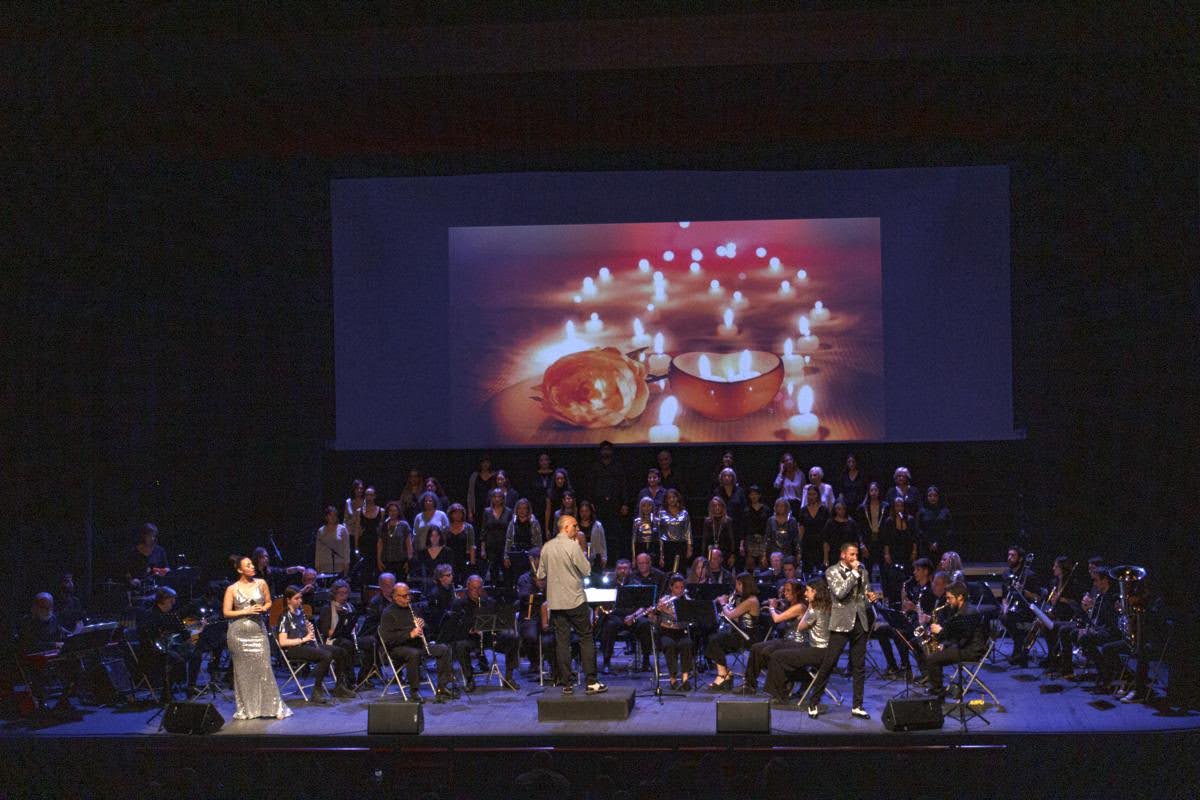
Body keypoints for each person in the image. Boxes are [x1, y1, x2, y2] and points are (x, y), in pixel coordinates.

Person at [803, 543, 877, 719]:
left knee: (859, 666)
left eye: (856, 554)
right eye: (851, 554)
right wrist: (854, 573)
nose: (855, 558)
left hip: (860, 622)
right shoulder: (832, 571)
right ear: (843, 555)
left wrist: (871, 598)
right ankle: (813, 701)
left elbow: (864, 597)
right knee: (830, 663)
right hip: (841, 623)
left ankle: (857, 705)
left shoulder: (863, 572)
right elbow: (840, 593)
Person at [536, 514, 606, 695]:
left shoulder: (547, 547)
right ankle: (591, 681)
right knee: (586, 637)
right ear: (566, 527)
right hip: (575, 600)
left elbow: (541, 574)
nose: (577, 529)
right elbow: (587, 570)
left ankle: (566, 683)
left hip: (556, 602)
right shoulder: (573, 546)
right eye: (574, 526)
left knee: (562, 641)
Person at [223, 555, 291, 720]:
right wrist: (245, 611)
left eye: (252, 564)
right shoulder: (232, 588)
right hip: (238, 634)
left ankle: (273, 707)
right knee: (243, 673)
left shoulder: (261, 583)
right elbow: (226, 612)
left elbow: (269, 602)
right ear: (240, 569)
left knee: (264, 668)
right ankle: (248, 709)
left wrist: (263, 607)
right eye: (248, 565)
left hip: (258, 632)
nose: (252, 567)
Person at [378, 582, 458, 701]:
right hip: (398, 648)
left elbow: (426, 629)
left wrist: (423, 625)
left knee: (443, 649)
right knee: (413, 654)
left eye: (408, 595)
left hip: (417, 645)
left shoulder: (413, 608)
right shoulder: (388, 613)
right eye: (404, 596)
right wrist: (409, 634)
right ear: (395, 597)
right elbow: (388, 638)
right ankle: (414, 691)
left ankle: (442, 687)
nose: (408, 598)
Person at [277, 586, 355, 703]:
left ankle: (339, 686)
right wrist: (304, 639)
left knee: (340, 651)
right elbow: (283, 642)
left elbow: (304, 633)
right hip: (293, 649)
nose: (300, 601)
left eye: (301, 598)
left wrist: (309, 631)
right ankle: (317, 690)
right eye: (296, 598)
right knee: (326, 655)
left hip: (307, 645)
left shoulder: (300, 613)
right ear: (288, 600)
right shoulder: (284, 617)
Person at [763, 579, 834, 702]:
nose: (805, 594)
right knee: (785, 655)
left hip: (818, 652)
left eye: (808, 591)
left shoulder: (815, 610)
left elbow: (800, 627)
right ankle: (802, 681)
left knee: (777, 656)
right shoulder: (828, 607)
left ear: (815, 592)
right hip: (826, 651)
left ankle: (779, 695)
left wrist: (810, 606)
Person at [447, 575, 520, 691]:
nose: (477, 591)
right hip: (471, 638)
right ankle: (469, 679)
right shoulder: (459, 603)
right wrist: (470, 629)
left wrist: (495, 626)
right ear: (468, 587)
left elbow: (499, 621)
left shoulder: (489, 602)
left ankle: (509, 677)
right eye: (474, 588)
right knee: (460, 645)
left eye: (479, 588)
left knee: (513, 636)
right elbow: (455, 627)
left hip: (489, 637)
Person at [739, 579, 808, 694]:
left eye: (788, 590)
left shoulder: (800, 607)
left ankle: (787, 680)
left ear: (797, 593)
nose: (785, 593)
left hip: (797, 643)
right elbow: (783, 614)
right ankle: (749, 684)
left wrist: (771, 607)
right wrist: (778, 603)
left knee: (768, 651)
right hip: (787, 640)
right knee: (756, 647)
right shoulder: (790, 604)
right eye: (784, 590)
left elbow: (777, 619)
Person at [920, 581, 988, 698]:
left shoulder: (968, 613)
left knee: (932, 659)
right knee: (935, 654)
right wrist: (945, 644)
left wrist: (941, 633)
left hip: (971, 651)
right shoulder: (961, 609)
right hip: (964, 646)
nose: (947, 601)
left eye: (949, 598)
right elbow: (958, 635)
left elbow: (962, 639)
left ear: (960, 597)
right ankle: (936, 687)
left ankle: (937, 692)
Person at [138, 586, 203, 697]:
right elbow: (149, 637)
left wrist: (191, 641)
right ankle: (167, 691)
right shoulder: (150, 615)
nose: (174, 602)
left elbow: (182, 631)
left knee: (196, 653)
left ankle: (190, 686)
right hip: (156, 649)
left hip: (171, 646)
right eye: (172, 599)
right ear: (164, 599)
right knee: (177, 660)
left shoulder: (171, 614)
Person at [705, 573, 760, 691]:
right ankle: (725, 674)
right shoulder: (744, 599)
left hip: (746, 637)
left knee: (715, 641)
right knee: (713, 638)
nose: (736, 587)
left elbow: (730, 614)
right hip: (738, 633)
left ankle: (723, 675)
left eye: (737, 584)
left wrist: (724, 603)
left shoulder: (751, 600)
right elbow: (735, 617)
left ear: (743, 584)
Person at [586, 440, 629, 570]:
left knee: (615, 535)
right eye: (603, 449)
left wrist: (625, 503)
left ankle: (614, 562)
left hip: (615, 505)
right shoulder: (594, 467)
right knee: (599, 535)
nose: (606, 452)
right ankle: (600, 563)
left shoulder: (618, 466)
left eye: (608, 449)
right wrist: (590, 504)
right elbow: (589, 486)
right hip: (599, 506)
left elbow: (624, 486)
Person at [652, 574, 695, 690]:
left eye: (682, 587)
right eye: (677, 587)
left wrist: (668, 612)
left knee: (687, 644)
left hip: (682, 631)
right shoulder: (664, 600)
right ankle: (673, 679)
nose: (680, 590)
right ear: (671, 587)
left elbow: (685, 618)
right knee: (669, 645)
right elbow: (654, 619)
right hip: (666, 632)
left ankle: (685, 678)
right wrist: (654, 611)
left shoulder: (687, 601)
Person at [317, 579, 360, 686]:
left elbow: (353, 625)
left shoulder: (350, 607)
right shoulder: (327, 608)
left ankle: (361, 677)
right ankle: (347, 679)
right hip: (331, 640)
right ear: (334, 594)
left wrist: (354, 626)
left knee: (368, 643)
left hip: (347, 637)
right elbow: (326, 631)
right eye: (341, 594)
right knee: (346, 645)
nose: (344, 596)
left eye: (346, 593)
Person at [504, 496, 542, 588]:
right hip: (516, 553)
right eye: (519, 508)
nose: (522, 510)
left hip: (530, 554)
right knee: (516, 577)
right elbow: (508, 540)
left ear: (528, 510)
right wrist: (506, 556)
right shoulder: (513, 522)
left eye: (524, 508)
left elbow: (538, 541)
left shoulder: (534, 522)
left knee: (529, 577)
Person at [479, 488, 513, 585]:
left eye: (499, 497)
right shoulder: (487, 511)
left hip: (504, 547)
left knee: (507, 572)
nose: (497, 499)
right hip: (491, 547)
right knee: (493, 572)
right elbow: (483, 531)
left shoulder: (508, 512)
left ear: (503, 499)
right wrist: (483, 549)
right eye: (494, 496)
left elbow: (511, 531)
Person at [855, 481, 888, 570]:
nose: (874, 492)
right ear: (868, 492)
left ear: (879, 491)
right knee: (867, 571)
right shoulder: (862, 508)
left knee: (884, 571)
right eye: (871, 490)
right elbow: (858, 528)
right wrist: (861, 544)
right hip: (867, 542)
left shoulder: (885, 507)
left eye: (876, 490)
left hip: (882, 541)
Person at [659, 488, 693, 574]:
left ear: (677, 498)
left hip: (681, 545)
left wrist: (689, 547)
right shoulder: (661, 513)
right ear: (666, 500)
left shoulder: (684, 513)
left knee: (681, 570)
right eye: (669, 498)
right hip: (667, 546)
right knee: (668, 571)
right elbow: (660, 533)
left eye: (674, 497)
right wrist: (661, 553)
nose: (671, 499)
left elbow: (688, 531)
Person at [126, 523, 170, 589]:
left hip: (157, 587)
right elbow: (127, 571)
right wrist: (131, 581)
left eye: (154, 536)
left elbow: (167, 568)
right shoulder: (134, 552)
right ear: (143, 536)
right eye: (149, 536)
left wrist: (164, 571)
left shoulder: (160, 551)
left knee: (171, 594)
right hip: (138, 588)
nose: (152, 538)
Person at [797, 485, 831, 570]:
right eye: (809, 494)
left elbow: (828, 531)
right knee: (807, 571)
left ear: (818, 495)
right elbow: (801, 530)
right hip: (807, 544)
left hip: (821, 544)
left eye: (814, 494)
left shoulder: (824, 510)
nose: (811, 497)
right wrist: (799, 548)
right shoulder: (803, 511)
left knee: (821, 572)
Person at [378, 501, 413, 580]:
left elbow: (409, 544)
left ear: (398, 511)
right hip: (386, 560)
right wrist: (379, 560)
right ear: (387, 512)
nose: (393, 512)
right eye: (390, 510)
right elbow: (380, 544)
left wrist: (409, 561)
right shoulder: (383, 525)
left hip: (401, 561)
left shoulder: (404, 525)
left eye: (395, 510)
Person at [357, 486, 384, 588]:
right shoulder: (359, 511)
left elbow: (382, 528)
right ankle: (365, 591)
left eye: (371, 495)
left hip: (376, 541)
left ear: (375, 496)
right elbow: (357, 530)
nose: (369, 497)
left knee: (377, 566)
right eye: (367, 495)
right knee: (365, 568)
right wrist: (356, 546)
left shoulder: (381, 511)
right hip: (364, 541)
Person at [917, 486, 954, 559]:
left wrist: (938, 543)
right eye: (930, 496)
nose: (932, 498)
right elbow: (919, 529)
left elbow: (949, 529)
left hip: (943, 545)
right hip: (926, 546)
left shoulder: (945, 511)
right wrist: (929, 543)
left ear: (939, 497)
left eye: (935, 495)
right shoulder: (921, 512)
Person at [700, 496, 734, 571]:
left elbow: (732, 539)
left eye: (719, 505)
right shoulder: (707, 521)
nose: (717, 507)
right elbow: (704, 540)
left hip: (725, 553)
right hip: (710, 553)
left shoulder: (728, 521)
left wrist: (732, 555)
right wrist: (702, 557)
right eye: (714, 506)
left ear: (723, 507)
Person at [741, 485, 770, 571]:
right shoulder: (746, 510)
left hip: (763, 538)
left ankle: (763, 582)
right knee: (750, 563)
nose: (753, 496)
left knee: (763, 562)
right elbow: (743, 528)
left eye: (755, 494)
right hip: (750, 539)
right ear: (749, 496)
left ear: (759, 495)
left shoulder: (766, 509)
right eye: (751, 494)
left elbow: (769, 526)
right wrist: (741, 544)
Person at [444, 503, 477, 579]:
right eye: (455, 513)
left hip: (464, 558)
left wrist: (472, 562)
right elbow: (444, 546)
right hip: (450, 559)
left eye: (460, 513)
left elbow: (472, 545)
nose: (458, 515)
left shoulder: (468, 527)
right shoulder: (446, 528)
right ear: (451, 514)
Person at [315, 506, 351, 574]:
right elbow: (318, 549)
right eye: (330, 515)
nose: (333, 517)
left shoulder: (342, 529)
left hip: (339, 566)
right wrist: (317, 565)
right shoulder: (321, 530)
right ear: (326, 517)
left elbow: (346, 549)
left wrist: (346, 564)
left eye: (335, 515)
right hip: (324, 566)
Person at [576, 500, 608, 573]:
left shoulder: (597, 525)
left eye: (586, 511)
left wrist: (604, 557)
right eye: (582, 511)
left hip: (595, 557)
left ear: (590, 512)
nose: (584, 514)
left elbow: (603, 542)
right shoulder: (575, 526)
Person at [766, 498, 801, 565]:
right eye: (778, 506)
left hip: (788, 552)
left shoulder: (792, 521)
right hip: (774, 552)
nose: (780, 508)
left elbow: (796, 539)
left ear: (786, 507)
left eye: (782, 506)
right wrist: (764, 554)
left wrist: (798, 553)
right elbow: (767, 538)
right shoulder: (771, 520)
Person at [528, 451, 556, 533]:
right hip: (537, 508)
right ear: (539, 462)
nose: (544, 462)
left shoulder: (555, 475)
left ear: (549, 461)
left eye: (546, 460)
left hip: (553, 507)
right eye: (541, 460)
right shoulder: (534, 475)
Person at [466, 455, 498, 529]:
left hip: (491, 507)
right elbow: (470, 494)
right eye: (483, 462)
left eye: (487, 462)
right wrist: (470, 511)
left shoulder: (494, 476)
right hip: (477, 508)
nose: (485, 464)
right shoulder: (474, 476)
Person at [773, 452, 804, 517]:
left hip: (797, 504)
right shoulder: (782, 475)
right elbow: (776, 486)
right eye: (786, 460)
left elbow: (804, 490)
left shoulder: (800, 474)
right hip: (784, 504)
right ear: (783, 463)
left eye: (790, 459)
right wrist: (781, 471)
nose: (789, 462)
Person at [631, 496, 660, 560]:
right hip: (640, 551)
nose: (646, 508)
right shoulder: (637, 522)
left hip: (654, 551)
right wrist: (633, 557)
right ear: (640, 507)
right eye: (644, 506)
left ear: (652, 507)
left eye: (649, 505)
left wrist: (661, 557)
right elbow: (633, 541)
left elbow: (660, 540)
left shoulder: (657, 521)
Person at [344, 479, 366, 553]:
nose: (359, 490)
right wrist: (355, 518)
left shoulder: (365, 502)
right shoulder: (349, 502)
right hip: (350, 533)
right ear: (354, 490)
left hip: (362, 534)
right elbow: (346, 520)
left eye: (361, 488)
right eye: (357, 489)